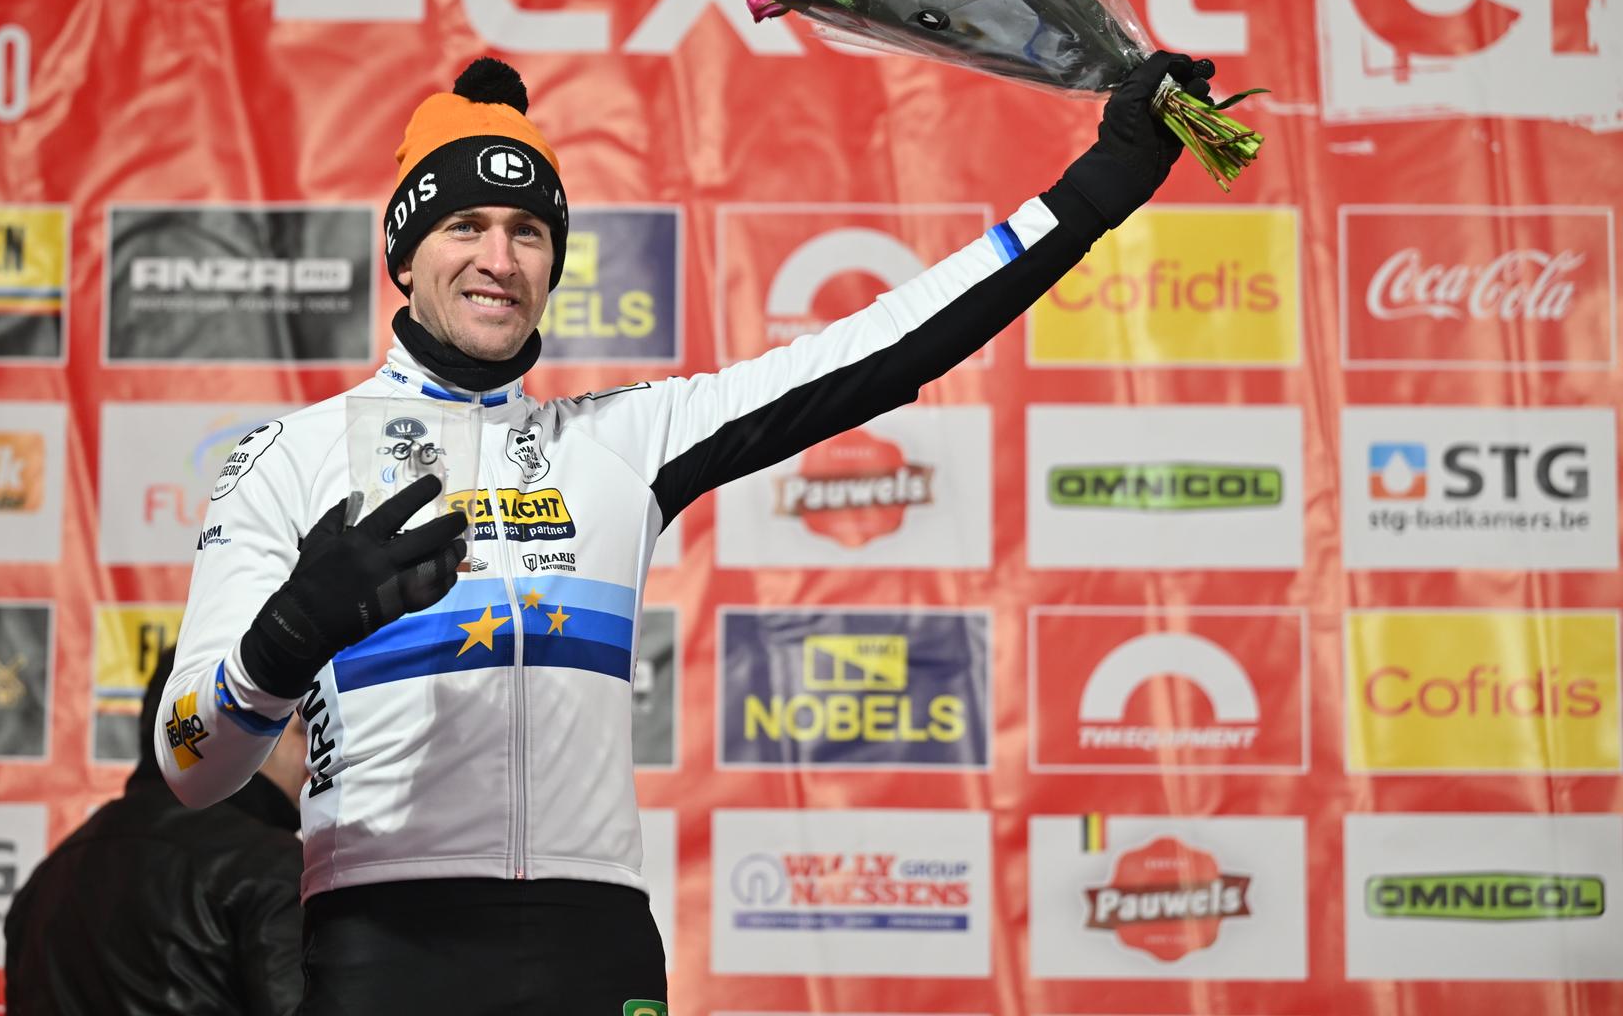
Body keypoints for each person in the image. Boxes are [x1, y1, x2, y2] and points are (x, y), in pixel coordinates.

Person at [159, 50, 1210, 1014]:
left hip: (596, 938)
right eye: (465, 227)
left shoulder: (621, 440)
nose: (500, 257)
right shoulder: (289, 459)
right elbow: (189, 761)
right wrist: (285, 638)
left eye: (529, 231)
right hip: (386, 941)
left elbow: (889, 346)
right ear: (404, 253)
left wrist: (1098, 190)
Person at [6, 647, 306, 1015]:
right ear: (245, 733)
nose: (314, 756)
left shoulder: (52, 875)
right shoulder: (272, 868)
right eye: (301, 731)